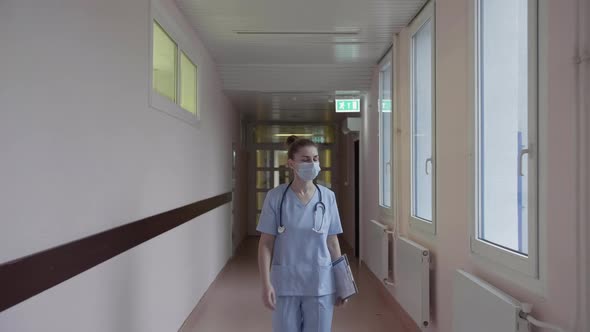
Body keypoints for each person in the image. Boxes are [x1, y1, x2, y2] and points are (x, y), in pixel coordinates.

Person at [257, 135, 347, 332]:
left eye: (315, 159)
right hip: (285, 284)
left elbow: (332, 242)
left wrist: (343, 283)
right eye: (305, 159)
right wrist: (265, 284)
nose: (312, 164)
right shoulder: (275, 197)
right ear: (291, 163)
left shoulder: (328, 197)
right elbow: (265, 244)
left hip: (320, 283)